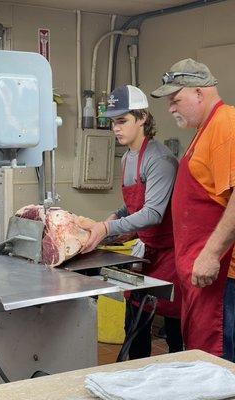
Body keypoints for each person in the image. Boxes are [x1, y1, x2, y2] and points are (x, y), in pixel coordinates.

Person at [151, 58, 235, 364]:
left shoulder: (227, 126)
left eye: (175, 100)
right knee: (208, 347)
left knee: (215, 355)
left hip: (224, 263)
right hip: (205, 262)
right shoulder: (207, 128)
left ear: (199, 93)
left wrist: (212, 253)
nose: (171, 109)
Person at [80, 85, 183, 358]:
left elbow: (152, 213)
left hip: (171, 254)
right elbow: (133, 204)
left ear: (142, 118)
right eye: (113, 121)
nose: (116, 128)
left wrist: (106, 228)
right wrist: (115, 216)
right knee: (135, 324)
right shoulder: (127, 158)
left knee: (176, 333)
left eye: (122, 120)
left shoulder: (159, 159)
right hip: (146, 252)